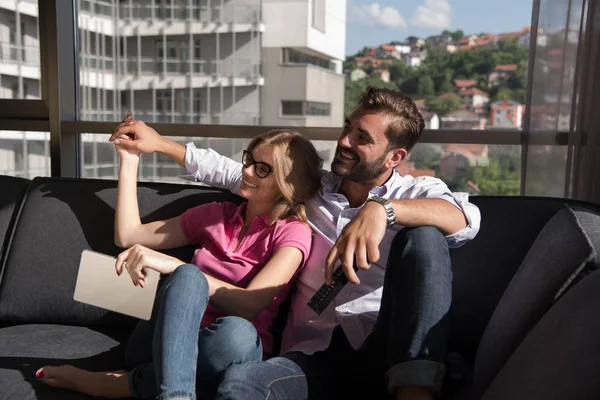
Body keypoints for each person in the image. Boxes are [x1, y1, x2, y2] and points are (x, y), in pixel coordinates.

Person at [104, 86, 481, 400]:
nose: (344, 141)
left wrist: (382, 210)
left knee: (426, 237)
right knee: (240, 386)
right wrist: (158, 144)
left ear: (395, 156)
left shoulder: (415, 192)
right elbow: (239, 172)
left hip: (384, 347)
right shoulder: (310, 191)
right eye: (347, 128)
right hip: (313, 356)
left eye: (361, 138)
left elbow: (465, 219)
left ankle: (416, 391)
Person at [34, 117, 324, 400]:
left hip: (223, 351)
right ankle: (172, 392)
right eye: (249, 161)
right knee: (187, 279)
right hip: (159, 342)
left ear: (289, 183)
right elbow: (128, 235)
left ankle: (126, 385)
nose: (246, 172)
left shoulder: (292, 234)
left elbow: (250, 304)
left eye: (262, 169)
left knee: (238, 332)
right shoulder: (215, 215)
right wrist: (129, 160)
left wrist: (178, 268)